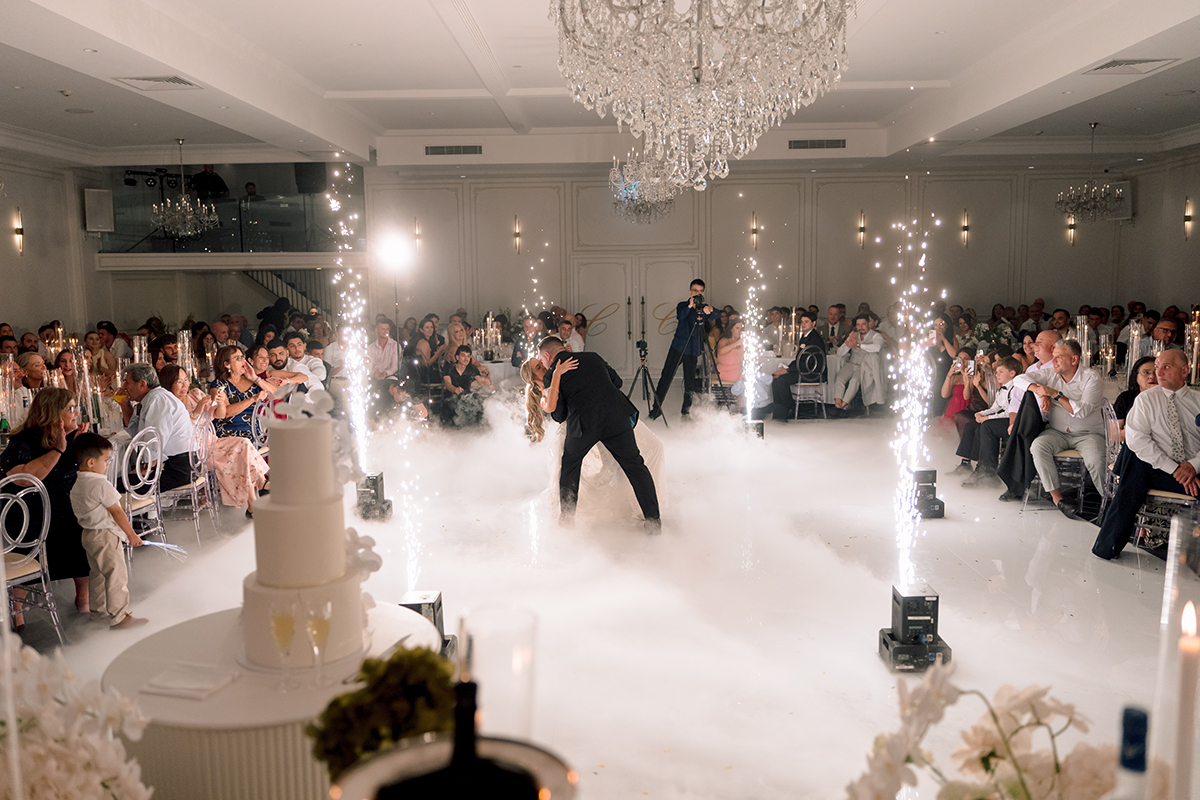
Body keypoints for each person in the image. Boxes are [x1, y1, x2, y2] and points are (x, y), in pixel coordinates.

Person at [535, 336, 661, 532]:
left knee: (570, 466)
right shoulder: (593, 357)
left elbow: (559, 415)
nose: (543, 363)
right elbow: (617, 382)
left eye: (541, 360)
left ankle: (567, 522)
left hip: (584, 426)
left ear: (547, 355)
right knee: (635, 466)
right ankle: (654, 522)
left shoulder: (552, 374)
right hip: (616, 417)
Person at [1093, 349, 1200, 559]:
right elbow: (1137, 440)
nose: (1158, 372)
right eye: (1157, 366)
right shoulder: (1145, 400)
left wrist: (1193, 466)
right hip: (1160, 469)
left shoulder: (1198, 400)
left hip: (1194, 469)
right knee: (1136, 457)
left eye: (1166, 367)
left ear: (1185, 370)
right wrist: (1176, 468)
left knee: (1133, 469)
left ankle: (1109, 543)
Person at [0, 388, 92, 621]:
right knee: (58, 530)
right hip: (29, 517)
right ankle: (18, 614)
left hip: (64, 510)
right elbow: (25, 478)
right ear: (53, 413)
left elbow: (86, 474)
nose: (76, 413)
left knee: (85, 530)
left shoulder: (69, 438)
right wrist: (59, 450)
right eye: (70, 408)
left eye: (75, 407)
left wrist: (80, 447)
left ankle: (84, 601)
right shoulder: (24, 442)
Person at [69, 432, 148, 629]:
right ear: (90, 462)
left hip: (88, 535)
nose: (108, 464)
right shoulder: (100, 484)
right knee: (116, 574)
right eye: (106, 460)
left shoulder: (78, 483)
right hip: (105, 535)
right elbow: (117, 512)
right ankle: (119, 616)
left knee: (96, 574)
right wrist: (131, 534)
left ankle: (99, 611)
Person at [1024, 340, 1106, 518]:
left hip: (1088, 434)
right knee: (1038, 447)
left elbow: (1082, 411)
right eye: (1053, 357)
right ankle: (1058, 500)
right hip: (1057, 432)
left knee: (1096, 459)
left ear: (1074, 359)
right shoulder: (1050, 373)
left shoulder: (1091, 378)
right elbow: (1020, 379)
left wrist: (1055, 394)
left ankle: (1110, 503)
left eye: (1058, 357)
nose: (1053, 361)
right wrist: (1040, 391)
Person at [650, 279, 720, 420]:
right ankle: (656, 409)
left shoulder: (704, 307)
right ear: (690, 291)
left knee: (690, 382)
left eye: (700, 291)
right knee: (666, 377)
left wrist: (710, 310)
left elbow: (717, 314)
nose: (697, 293)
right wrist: (690, 305)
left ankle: (686, 412)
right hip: (678, 347)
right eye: (695, 290)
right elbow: (681, 316)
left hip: (693, 349)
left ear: (703, 292)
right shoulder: (682, 305)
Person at [118, 363, 195, 491]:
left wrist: (146, 468)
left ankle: (144, 509)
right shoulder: (152, 398)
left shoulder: (158, 400)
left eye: (127, 382)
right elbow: (137, 435)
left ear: (142, 384)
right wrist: (125, 406)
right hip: (174, 465)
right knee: (118, 483)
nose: (124, 387)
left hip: (178, 470)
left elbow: (155, 442)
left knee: (114, 487)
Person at [210, 346, 278, 440]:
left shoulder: (253, 382)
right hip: (228, 434)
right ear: (227, 364)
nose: (244, 361)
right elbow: (227, 412)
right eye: (238, 358)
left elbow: (276, 394)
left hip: (254, 434)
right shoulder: (218, 384)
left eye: (243, 357)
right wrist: (253, 399)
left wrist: (254, 378)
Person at [770, 311, 826, 420]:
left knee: (781, 380)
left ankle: (789, 408)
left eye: (806, 322)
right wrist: (786, 368)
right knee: (775, 379)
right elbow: (799, 359)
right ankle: (780, 410)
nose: (803, 324)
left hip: (812, 373)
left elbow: (808, 363)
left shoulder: (814, 339)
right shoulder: (805, 337)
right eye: (802, 322)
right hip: (804, 370)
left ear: (814, 323)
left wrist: (787, 371)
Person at [833, 314, 883, 413]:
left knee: (854, 381)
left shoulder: (876, 335)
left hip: (864, 366)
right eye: (858, 325)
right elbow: (839, 353)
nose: (861, 327)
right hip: (851, 364)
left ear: (869, 324)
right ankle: (837, 405)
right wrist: (849, 344)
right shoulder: (854, 335)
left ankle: (843, 405)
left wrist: (858, 345)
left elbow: (877, 347)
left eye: (863, 324)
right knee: (839, 378)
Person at [440, 345, 493, 427]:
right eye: (463, 355)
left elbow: (480, 380)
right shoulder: (449, 368)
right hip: (451, 398)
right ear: (457, 357)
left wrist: (488, 384)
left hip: (467, 399)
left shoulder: (472, 369)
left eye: (468, 356)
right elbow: (448, 384)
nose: (466, 359)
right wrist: (455, 389)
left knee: (478, 402)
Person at [1112, 356, 1157, 440]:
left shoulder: (1167, 398)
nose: (1152, 376)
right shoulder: (1125, 398)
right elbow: (1114, 436)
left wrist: (1130, 432)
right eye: (1146, 372)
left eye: (1156, 372)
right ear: (1136, 376)